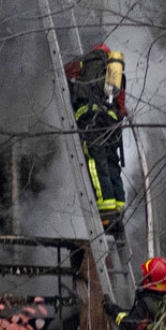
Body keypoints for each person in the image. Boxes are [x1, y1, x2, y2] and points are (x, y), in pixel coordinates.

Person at [65, 43, 126, 219]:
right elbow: (121, 103)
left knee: (94, 159)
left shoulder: (85, 63)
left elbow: (67, 71)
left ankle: (105, 204)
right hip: (112, 123)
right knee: (112, 161)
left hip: (91, 119)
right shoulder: (115, 71)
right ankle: (119, 205)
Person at [103, 256, 166, 330]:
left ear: (149, 279)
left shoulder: (146, 303)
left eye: (145, 275)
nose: (142, 277)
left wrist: (113, 310)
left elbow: (131, 326)